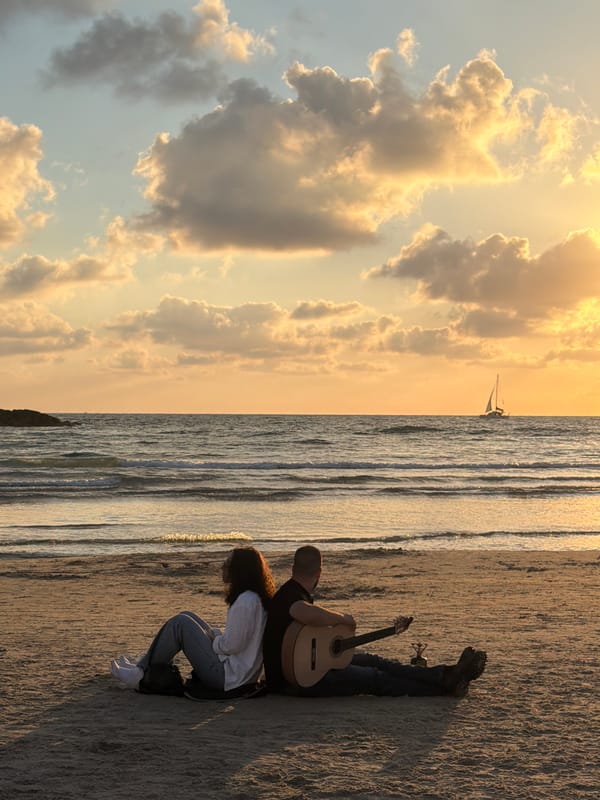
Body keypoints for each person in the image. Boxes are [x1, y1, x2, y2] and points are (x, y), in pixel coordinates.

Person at [262, 545, 487, 697]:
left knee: (376, 661)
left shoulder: (292, 591)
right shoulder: (291, 596)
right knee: (374, 678)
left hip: (310, 671)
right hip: (296, 683)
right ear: (319, 572)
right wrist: (343, 618)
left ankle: (444, 674)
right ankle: (444, 688)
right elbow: (300, 611)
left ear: (293, 568)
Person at [111, 546, 276, 694]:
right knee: (187, 615)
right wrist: (215, 636)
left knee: (180, 624)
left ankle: (140, 674)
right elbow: (240, 640)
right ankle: (142, 666)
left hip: (228, 678)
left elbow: (231, 645)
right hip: (240, 674)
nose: (222, 567)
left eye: (227, 564)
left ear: (239, 570)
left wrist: (215, 640)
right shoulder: (254, 598)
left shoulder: (245, 602)